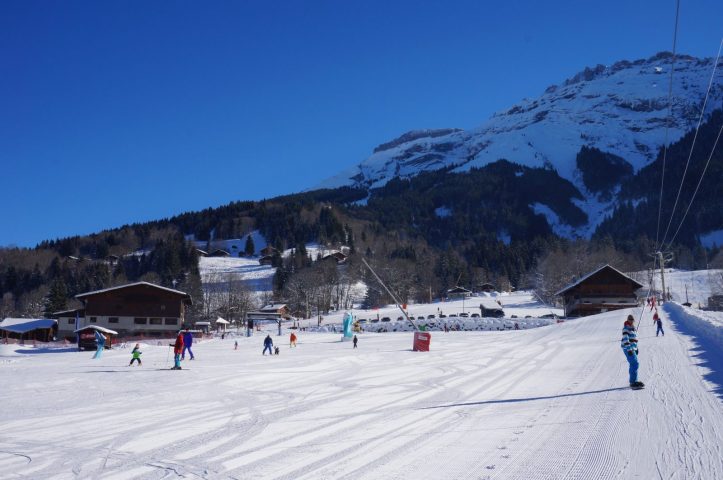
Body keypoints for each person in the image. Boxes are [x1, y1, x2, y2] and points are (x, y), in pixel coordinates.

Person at [621, 315, 643, 388]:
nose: (631, 321)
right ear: (628, 320)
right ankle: (633, 382)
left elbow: (634, 340)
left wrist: (636, 348)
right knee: (635, 363)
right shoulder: (626, 328)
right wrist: (629, 349)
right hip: (628, 348)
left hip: (632, 348)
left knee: (634, 364)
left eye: (632, 320)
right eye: (630, 319)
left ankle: (634, 381)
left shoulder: (633, 328)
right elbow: (626, 339)